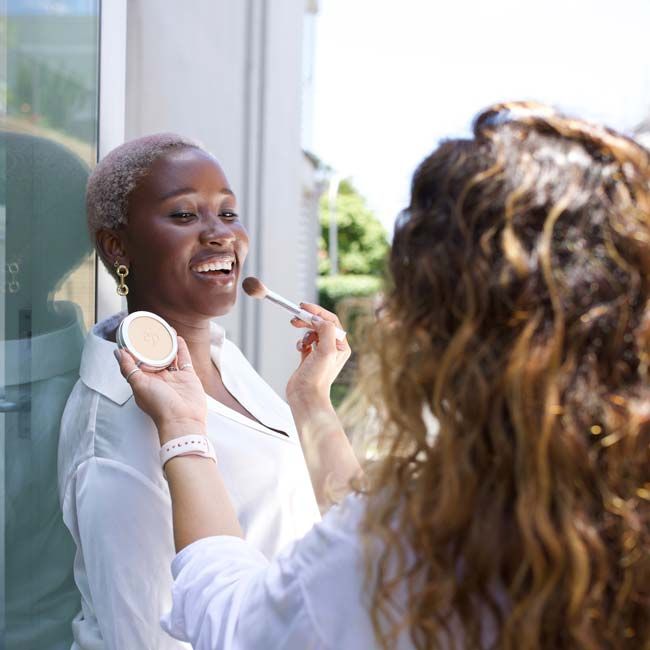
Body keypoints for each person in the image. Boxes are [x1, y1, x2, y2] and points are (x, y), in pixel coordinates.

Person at [117, 103, 649, 650]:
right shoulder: (612, 494)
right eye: (184, 215)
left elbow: (239, 623)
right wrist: (310, 400)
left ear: (445, 331)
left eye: (400, 290)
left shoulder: (409, 545)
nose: (385, 313)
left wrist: (183, 430)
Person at [57, 134, 354, 649]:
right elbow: (147, 637)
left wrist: (312, 399)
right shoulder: (114, 435)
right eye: (184, 216)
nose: (221, 235)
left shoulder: (219, 354)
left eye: (229, 213)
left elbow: (322, 515)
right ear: (118, 246)